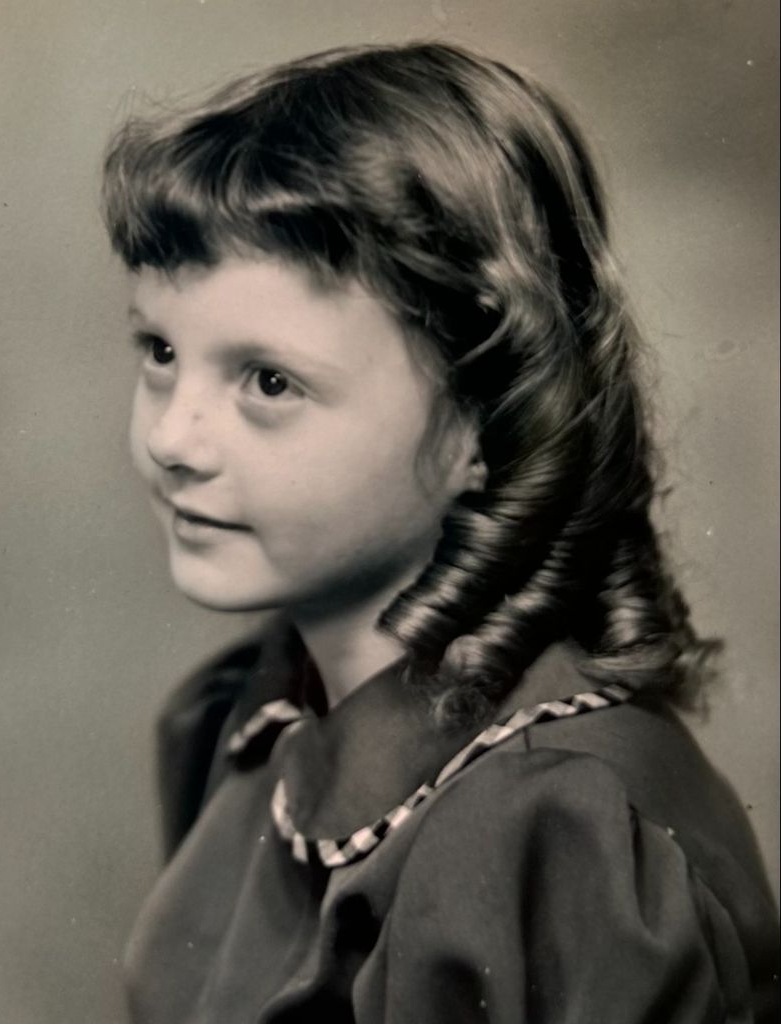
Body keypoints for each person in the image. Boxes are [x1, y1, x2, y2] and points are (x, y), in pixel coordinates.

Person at [102, 41, 778, 1023]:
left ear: (484, 425)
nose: (172, 438)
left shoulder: (559, 828)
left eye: (270, 382)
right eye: (160, 351)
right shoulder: (242, 718)